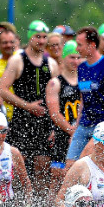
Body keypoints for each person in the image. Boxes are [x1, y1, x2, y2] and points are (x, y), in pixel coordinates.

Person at [0, 20, 57, 203]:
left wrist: (55, 125)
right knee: (19, 167)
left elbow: (58, 96)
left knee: (42, 168)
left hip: (44, 124)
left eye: (43, 37)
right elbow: (2, 89)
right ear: (29, 37)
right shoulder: (18, 60)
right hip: (22, 122)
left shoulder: (52, 63)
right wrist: (27, 106)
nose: (40, 41)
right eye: (37, 36)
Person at [66, 26, 104, 161]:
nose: (77, 49)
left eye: (80, 45)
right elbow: (83, 101)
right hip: (84, 125)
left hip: (101, 125)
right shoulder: (81, 68)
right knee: (70, 166)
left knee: (86, 164)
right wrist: (76, 128)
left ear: (91, 45)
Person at [45, 41, 82, 195]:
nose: (76, 61)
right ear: (64, 58)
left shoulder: (84, 81)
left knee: (81, 176)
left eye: (79, 58)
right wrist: (72, 131)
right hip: (63, 134)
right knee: (57, 178)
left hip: (81, 134)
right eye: (72, 57)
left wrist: (78, 132)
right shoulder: (55, 83)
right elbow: (54, 113)